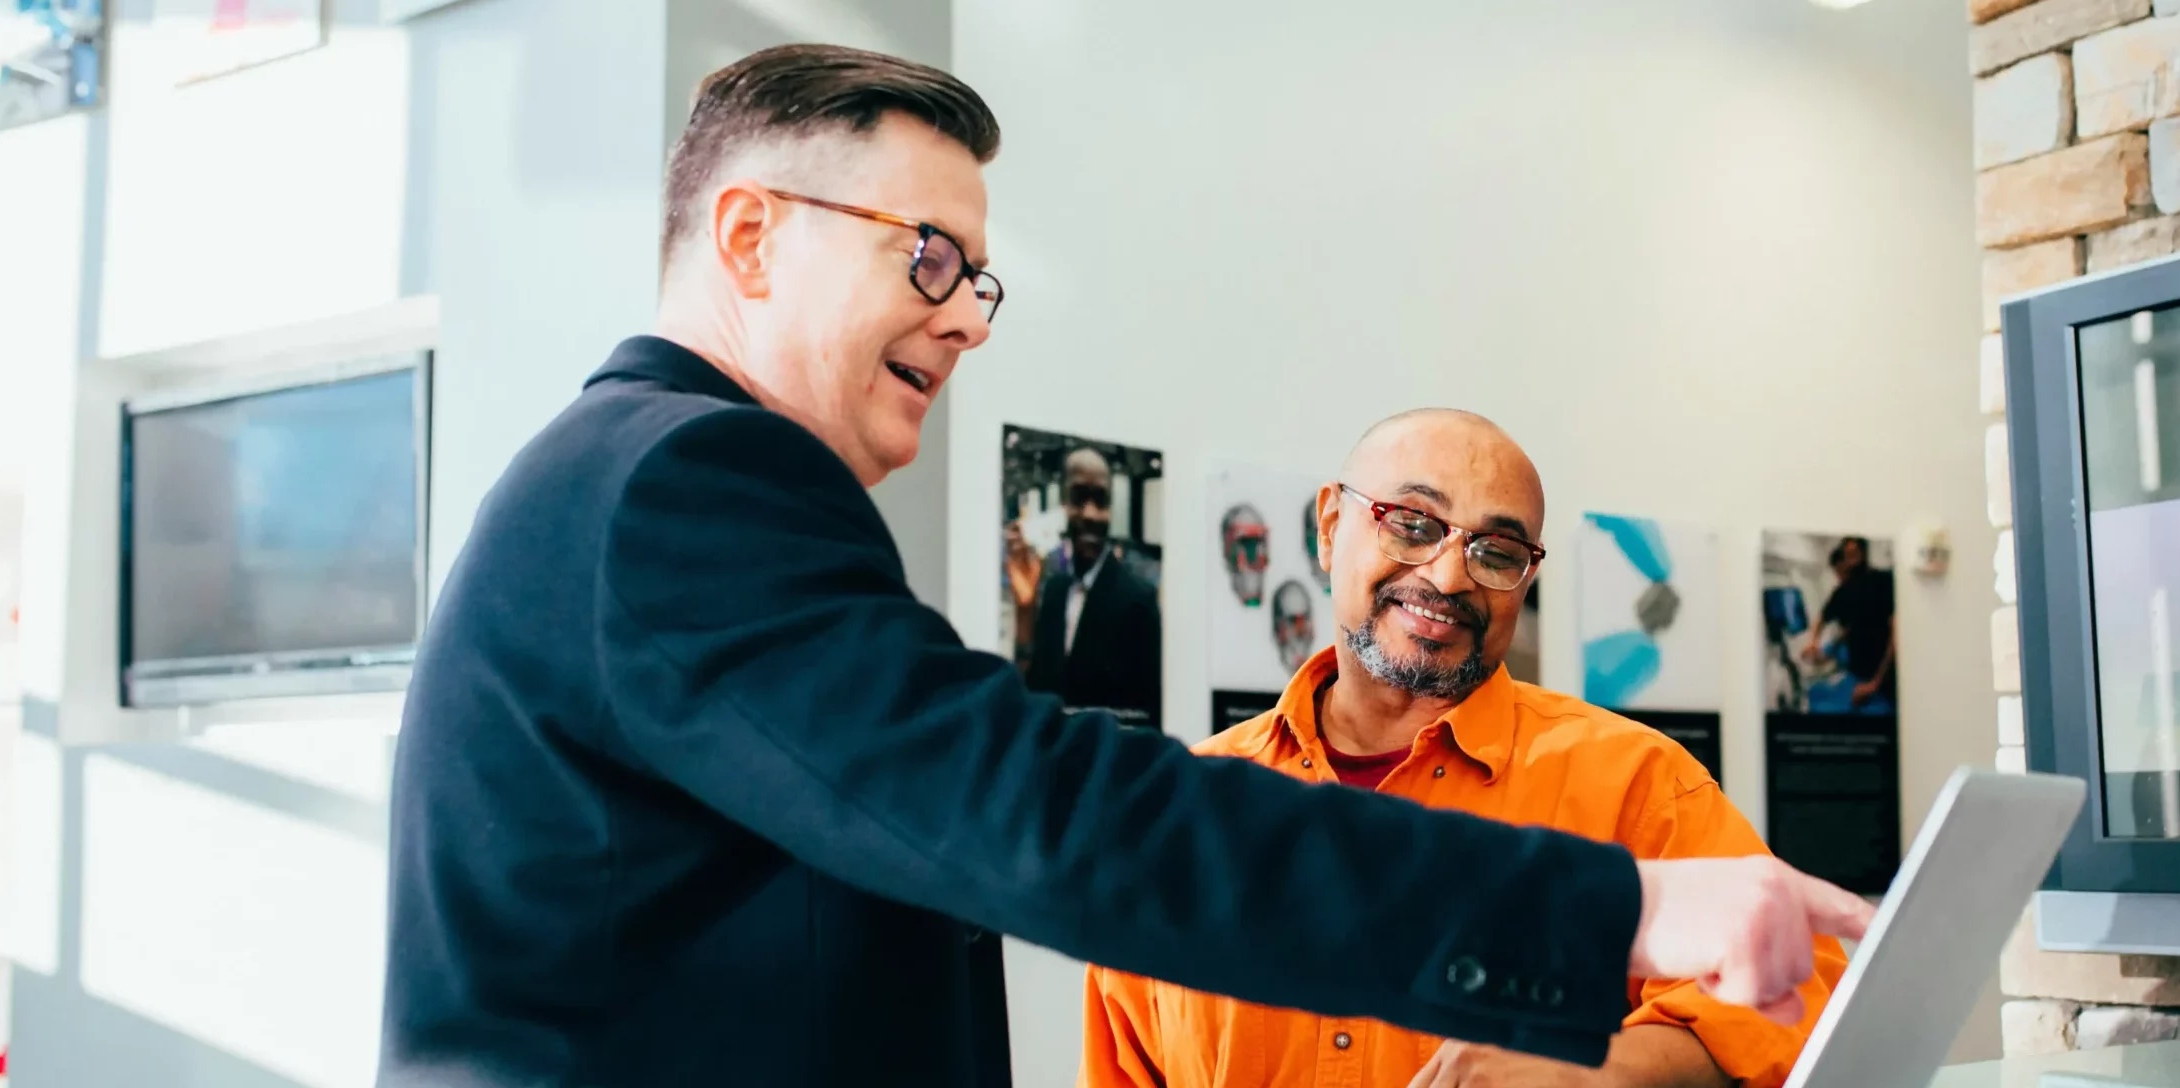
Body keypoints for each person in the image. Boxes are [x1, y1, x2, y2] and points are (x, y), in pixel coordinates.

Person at [379, 44, 1871, 1088]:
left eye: (981, 280)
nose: (966, 318)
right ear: (751, 236)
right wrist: (1606, 913)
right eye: (928, 257)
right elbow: (1041, 818)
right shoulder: (686, 479)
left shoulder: (635, 481)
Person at [1082, 411, 1847, 1088]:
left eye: (1498, 550)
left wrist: (1602, 1072)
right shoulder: (1184, 815)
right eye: (1411, 523)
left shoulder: (1634, 784)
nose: (1448, 576)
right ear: (1327, 527)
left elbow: (1805, 1000)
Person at [1008, 447, 1163, 726]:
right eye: (1079, 498)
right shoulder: (1054, 591)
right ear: (1063, 503)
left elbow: (1148, 718)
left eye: (1101, 501)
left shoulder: (1138, 600)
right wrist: (1025, 610)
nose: (1090, 514)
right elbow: (1031, 692)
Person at [1803, 537, 1896, 712]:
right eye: (1848, 555)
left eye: (1855, 554)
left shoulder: (1883, 581)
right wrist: (1813, 642)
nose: (1840, 575)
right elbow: (1824, 618)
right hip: (1857, 676)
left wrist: (1875, 684)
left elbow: (1896, 635)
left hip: (1882, 681)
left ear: (1864, 553)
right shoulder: (1844, 591)